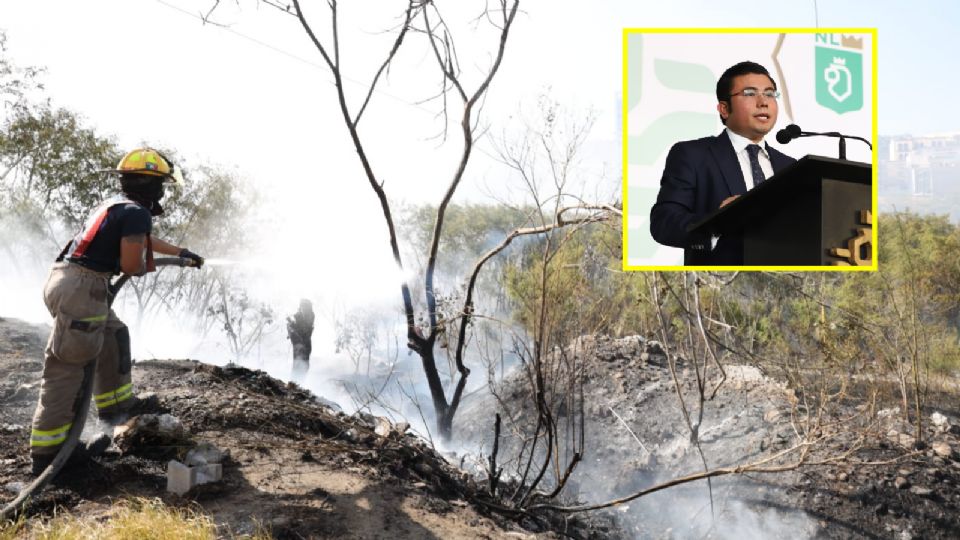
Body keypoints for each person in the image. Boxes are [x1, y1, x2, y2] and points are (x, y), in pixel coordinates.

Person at [29, 148, 204, 475]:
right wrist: (140, 264)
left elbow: (141, 240)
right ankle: (50, 455)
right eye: (161, 185)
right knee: (67, 370)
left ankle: (115, 407)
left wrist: (180, 253)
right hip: (84, 290)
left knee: (113, 334)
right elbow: (129, 264)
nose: (163, 192)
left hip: (70, 281)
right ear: (151, 186)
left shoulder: (117, 205)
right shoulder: (138, 212)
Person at [649, 61, 797, 265]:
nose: (763, 102)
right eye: (749, 93)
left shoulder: (791, 167)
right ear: (724, 108)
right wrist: (716, 223)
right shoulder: (693, 155)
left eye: (770, 94)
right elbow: (663, 223)